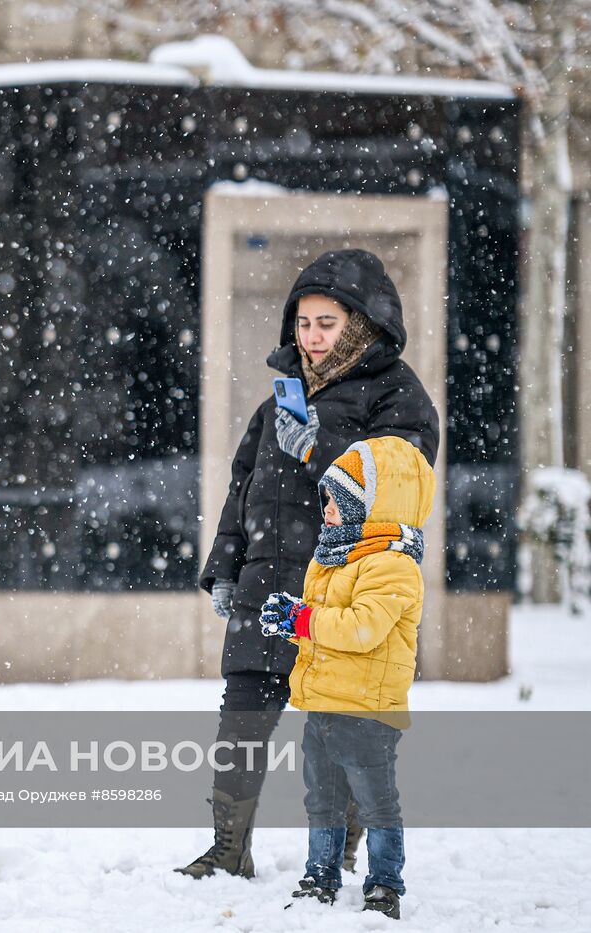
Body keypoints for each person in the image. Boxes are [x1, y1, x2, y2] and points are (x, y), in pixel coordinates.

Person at [178, 249, 438, 880]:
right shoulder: (276, 407)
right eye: (302, 323)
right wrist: (224, 569)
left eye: (326, 322)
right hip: (267, 585)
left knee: (341, 729)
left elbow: (403, 483)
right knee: (241, 716)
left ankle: (343, 856)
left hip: (343, 590)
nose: (312, 336)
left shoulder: (396, 394)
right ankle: (227, 848)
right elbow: (244, 493)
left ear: (359, 322)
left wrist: (322, 448)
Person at [260, 434, 433, 919]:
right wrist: (293, 621)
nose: (328, 507)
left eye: (341, 499)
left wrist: (303, 621)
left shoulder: (393, 565)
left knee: (376, 803)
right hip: (324, 703)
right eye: (328, 497)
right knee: (323, 800)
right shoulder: (334, 555)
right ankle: (321, 873)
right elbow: (324, 628)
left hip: (368, 708)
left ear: (371, 505)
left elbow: (361, 629)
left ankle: (384, 883)